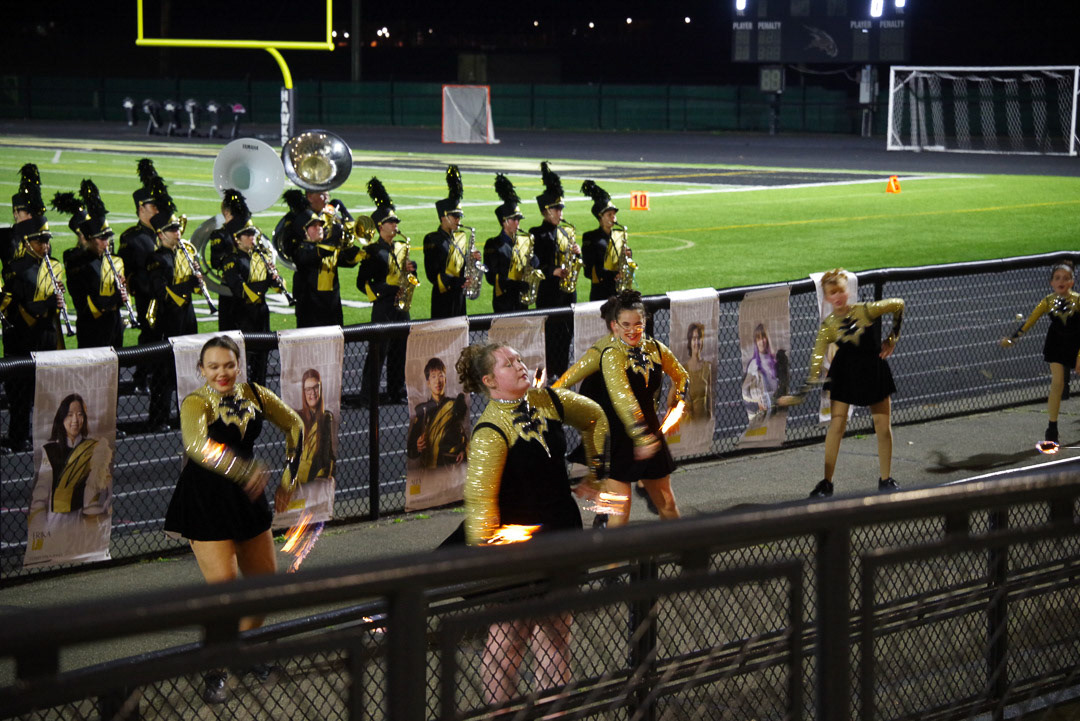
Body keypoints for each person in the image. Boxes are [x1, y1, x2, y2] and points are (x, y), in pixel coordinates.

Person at [454, 342, 609, 704]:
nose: (520, 366)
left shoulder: (547, 400)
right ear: (490, 381)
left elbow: (596, 418)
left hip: (560, 532)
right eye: (508, 364)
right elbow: (480, 502)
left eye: (519, 359)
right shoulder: (490, 430)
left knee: (556, 637)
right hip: (516, 549)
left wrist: (596, 472)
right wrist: (493, 560)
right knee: (507, 641)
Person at [162, 336, 303, 704]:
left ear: (239, 365)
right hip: (205, 501)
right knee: (224, 594)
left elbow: (295, 425)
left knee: (264, 590)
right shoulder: (196, 402)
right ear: (201, 370)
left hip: (247, 501)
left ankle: (240, 651)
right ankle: (217, 670)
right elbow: (196, 445)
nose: (221, 372)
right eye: (213, 366)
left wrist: (289, 477)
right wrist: (243, 470)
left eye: (228, 365)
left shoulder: (256, 394)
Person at [555, 290, 689, 526]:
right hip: (616, 435)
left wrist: (677, 399)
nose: (632, 330)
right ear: (614, 326)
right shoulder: (607, 353)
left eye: (638, 324)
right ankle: (606, 531)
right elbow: (622, 397)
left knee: (667, 502)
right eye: (625, 324)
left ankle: (686, 548)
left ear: (645, 322)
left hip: (648, 430)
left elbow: (682, 375)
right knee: (620, 510)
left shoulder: (656, 349)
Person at [778, 269, 905, 498]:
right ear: (826, 297)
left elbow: (898, 304)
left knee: (882, 427)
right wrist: (799, 395)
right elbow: (816, 363)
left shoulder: (866, 310)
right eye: (832, 292)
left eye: (840, 291)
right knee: (836, 427)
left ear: (847, 292)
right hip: (845, 375)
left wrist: (892, 338)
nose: (837, 296)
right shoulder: (828, 326)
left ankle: (886, 480)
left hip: (873, 371)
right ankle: (826, 483)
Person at [1, 168, 64, 453]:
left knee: (45, 389)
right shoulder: (6, 242)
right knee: (20, 390)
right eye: (26, 213)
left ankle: (41, 436)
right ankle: (18, 437)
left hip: (44, 330)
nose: (46, 245)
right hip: (17, 323)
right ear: (16, 213)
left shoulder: (47, 257)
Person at [1000, 260, 1080, 443]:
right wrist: (1013, 338)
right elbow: (1030, 322)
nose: (1061, 281)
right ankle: (1052, 428)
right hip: (1056, 343)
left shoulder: (1078, 300)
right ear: (1051, 282)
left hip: (1077, 343)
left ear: (1072, 282)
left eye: (1065, 278)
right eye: (1057, 278)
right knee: (1057, 383)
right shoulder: (1047, 301)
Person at [143, 185, 202, 431]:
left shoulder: (185, 253)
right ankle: (158, 417)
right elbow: (161, 292)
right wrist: (188, 285)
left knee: (189, 369)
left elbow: (194, 286)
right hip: (167, 318)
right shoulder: (156, 259)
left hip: (187, 317)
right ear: (160, 234)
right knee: (164, 371)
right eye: (171, 230)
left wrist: (197, 278)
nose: (177, 233)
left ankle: (185, 414)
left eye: (177, 229)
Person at [356, 177, 416, 405]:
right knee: (378, 353)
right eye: (391, 222)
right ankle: (368, 394)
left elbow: (410, 276)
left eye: (396, 221)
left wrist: (412, 273)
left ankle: (396, 391)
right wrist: (386, 291)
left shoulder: (401, 246)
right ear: (380, 226)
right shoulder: (372, 251)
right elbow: (362, 283)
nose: (395, 224)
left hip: (402, 307)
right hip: (383, 307)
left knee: (400, 352)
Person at [53, 181, 126, 349]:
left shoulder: (109, 258)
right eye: (101, 238)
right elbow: (88, 300)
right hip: (92, 329)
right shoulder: (76, 260)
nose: (107, 242)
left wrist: (121, 289)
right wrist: (115, 297)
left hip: (114, 325)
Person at [282, 189, 365, 329]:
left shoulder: (328, 248)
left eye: (320, 225)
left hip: (333, 307)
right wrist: (334, 239)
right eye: (314, 226)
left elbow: (350, 261)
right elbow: (312, 255)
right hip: (309, 310)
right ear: (305, 231)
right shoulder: (303, 250)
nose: (319, 228)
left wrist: (349, 244)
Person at [117, 159, 165, 395]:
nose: (157, 210)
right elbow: (125, 269)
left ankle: (159, 376)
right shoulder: (132, 237)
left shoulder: (163, 233)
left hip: (167, 293)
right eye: (152, 206)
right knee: (150, 335)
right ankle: (141, 376)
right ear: (140, 208)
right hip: (147, 295)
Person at [528, 162, 578, 379]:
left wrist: (577, 254)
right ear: (546, 211)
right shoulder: (536, 233)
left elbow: (575, 260)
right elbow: (533, 263)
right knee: (548, 341)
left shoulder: (566, 233)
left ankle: (563, 377)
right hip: (548, 294)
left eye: (561, 209)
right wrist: (552, 271)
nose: (560, 213)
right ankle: (545, 380)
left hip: (567, 294)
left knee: (565, 338)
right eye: (556, 209)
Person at [38, 394, 111, 514]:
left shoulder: (95, 448)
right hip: (57, 517)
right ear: (62, 418)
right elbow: (41, 492)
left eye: (80, 414)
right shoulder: (49, 450)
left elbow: (106, 482)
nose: (75, 420)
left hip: (87, 516)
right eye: (70, 415)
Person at [221, 221, 273, 386]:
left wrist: (274, 279)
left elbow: (276, 285)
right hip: (242, 316)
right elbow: (240, 289)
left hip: (261, 315)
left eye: (253, 234)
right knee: (242, 361)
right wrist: (264, 285)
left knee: (262, 361)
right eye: (247, 235)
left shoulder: (260, 257)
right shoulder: (231, 260)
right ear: (237, 239)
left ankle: (260, 394)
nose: (252, 238)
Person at [424, 165, 478, 318]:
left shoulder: (460, 237)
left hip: (459, 295)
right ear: (443, 217)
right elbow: (432, 274)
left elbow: (462, 266)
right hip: (442, 297)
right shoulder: (432, 239)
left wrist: (472, 261)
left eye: (459, 216)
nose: (458, 220)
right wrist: (456, 281)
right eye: (455, 216)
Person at [484, 174, 537, 314]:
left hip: (522, 300)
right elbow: (492, 277)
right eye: (514, 219)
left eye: (518, 219)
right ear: (504, 221)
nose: (518, 223)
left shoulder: (524, 241)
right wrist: (515, 284)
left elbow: (535, 263)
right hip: (504, 301)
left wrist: (532, 260)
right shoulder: (493, 244)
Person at [406, 357, 469, 468]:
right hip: (430, 470)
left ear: (445, 380)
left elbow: (462, 437)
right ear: (428, 383)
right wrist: (417, 446)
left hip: (450, 468)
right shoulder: (421, 410)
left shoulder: (454, 405)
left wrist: (463, 451)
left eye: (441, 376)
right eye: (433, 376)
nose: (438, 381)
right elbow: (411, 451)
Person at [207, 189, 253, 332]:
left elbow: (215, 263)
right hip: (239, 287)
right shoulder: (246, 233)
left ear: (226, 212)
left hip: (235, 289)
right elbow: (216, 262)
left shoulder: (222, 234)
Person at [579, 180, 627, 302]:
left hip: (618, 289)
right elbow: (589, 271)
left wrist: (628, 255)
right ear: (600, 217)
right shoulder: (590, 237)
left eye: (614, 214)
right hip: (600, 291)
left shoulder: (619, 234)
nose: (613, 217)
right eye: (609, 214)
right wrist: (613, 274)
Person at [295, 368, 336, 485]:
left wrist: (324, 475)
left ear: (320, 388)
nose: (312, 393)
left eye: (316, 387)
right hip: (298, 481)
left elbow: (327, 454)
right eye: (308, 389)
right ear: (303, 392)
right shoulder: (297, 417)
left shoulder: (326, 418)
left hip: (317, 480)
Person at [741, 323, 781, 425]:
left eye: (763, 337)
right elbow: (744, 392)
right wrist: (758, 400)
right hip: (761, 414)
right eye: (758, 338)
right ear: (756, 342)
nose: (761, 341)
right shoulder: (753, 364)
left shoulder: (775, 362)